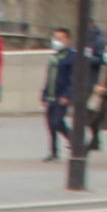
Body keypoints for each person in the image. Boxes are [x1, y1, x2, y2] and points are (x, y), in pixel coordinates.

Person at [40, 28, 77, 161]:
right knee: (50, 123)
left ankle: (74, 141)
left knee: (57, 122)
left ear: (67, 40)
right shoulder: (55, 56)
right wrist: (44, 94)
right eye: (55, 38)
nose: (57, 41)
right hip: (51, 95)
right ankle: (54, 151)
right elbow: (49, 77)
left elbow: (73, 78)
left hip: (62, 95)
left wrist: (67, 95)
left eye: (60, 38)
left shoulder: (72, 57)